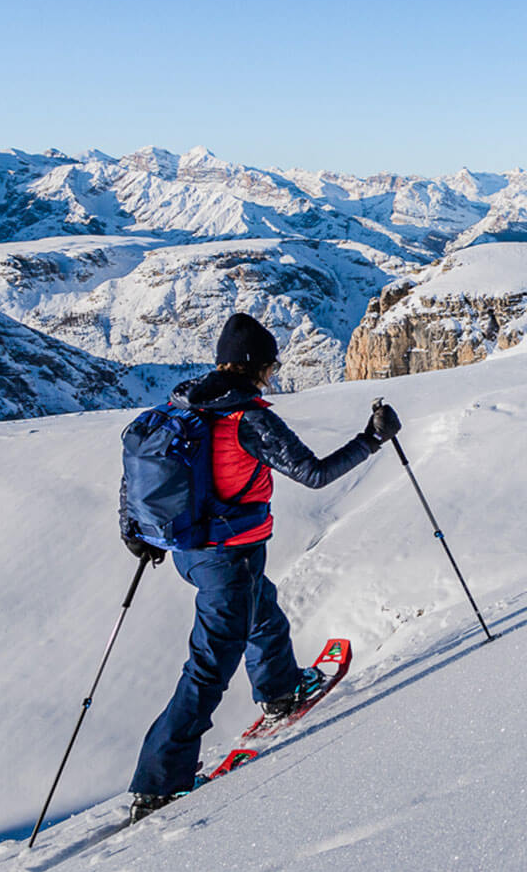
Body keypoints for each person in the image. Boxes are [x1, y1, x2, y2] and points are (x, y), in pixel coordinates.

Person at [120, 313, 400, 821]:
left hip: (192, 551)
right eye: (271, 365)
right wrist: (372, 440)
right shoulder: (249, 418)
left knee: (262, 611)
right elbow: (313, 474)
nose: (273, 374)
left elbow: (140, 465)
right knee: (208, 667)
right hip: (227, 554)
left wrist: (135, 530)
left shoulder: (184, 403)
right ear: (255, 366)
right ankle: (159, 783)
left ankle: (280, 690)